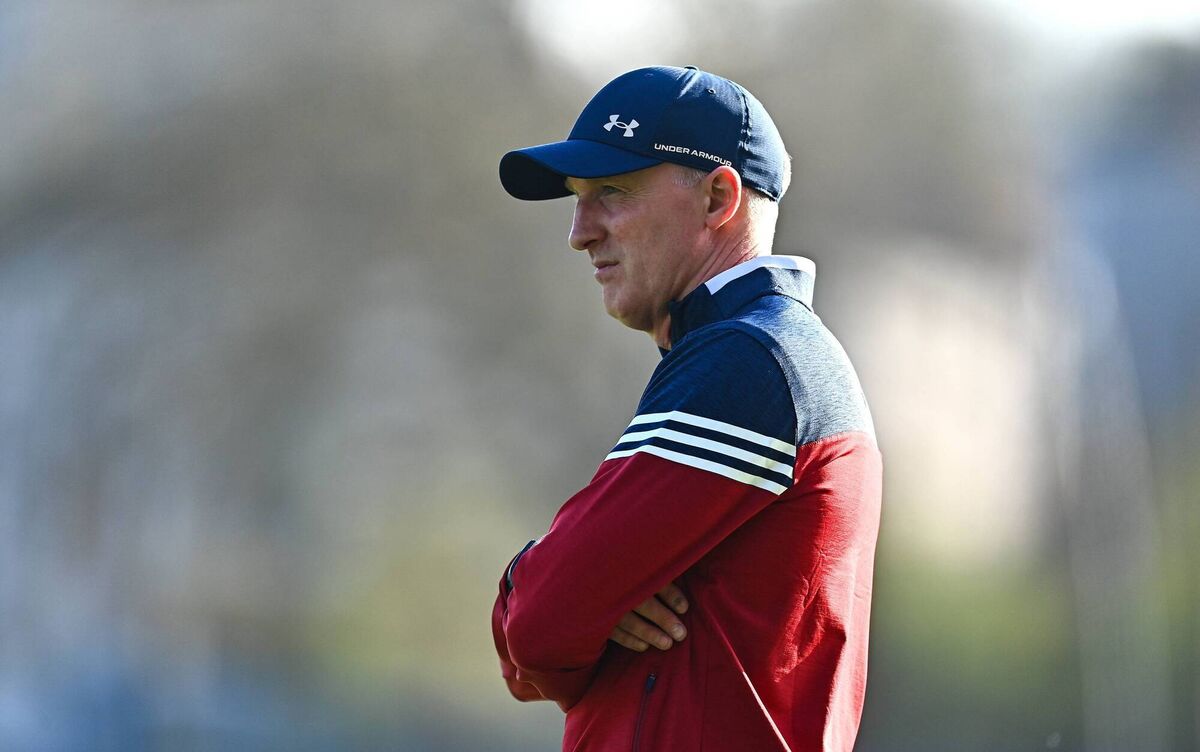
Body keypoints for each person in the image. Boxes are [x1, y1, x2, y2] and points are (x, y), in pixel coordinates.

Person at [491, 65, 882, 751]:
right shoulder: (753, 352)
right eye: (578, 199)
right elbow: (539, 644)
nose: (580, 232)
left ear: (717, 198)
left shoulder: (750, 360)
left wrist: (545, 581)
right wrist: (571, 589)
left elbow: (540, 626)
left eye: (611, 192)